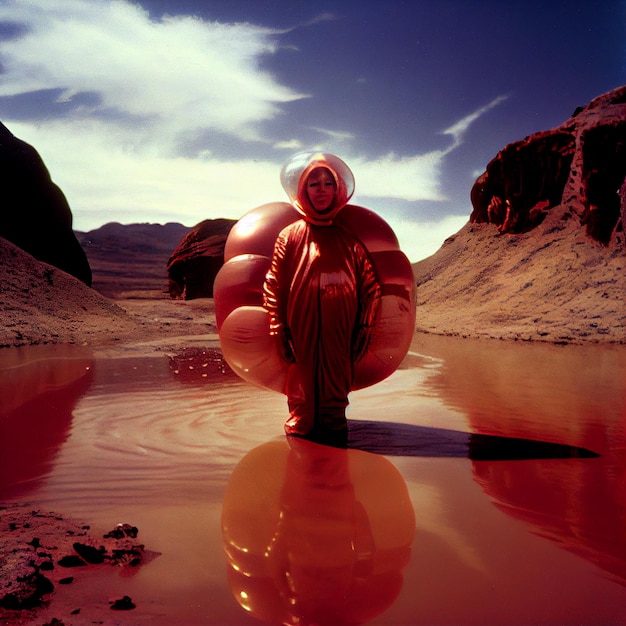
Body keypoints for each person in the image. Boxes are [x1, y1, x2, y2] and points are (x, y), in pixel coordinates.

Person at [263, 152, 381, 446]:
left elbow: (370, 287)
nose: (322, 190)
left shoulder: (349, 242)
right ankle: (302, 445)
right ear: (303, 190)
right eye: (314, 184)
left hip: (341, 329)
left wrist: (365, 325)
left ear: (338, 188)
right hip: (298, 326)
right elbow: (274, 283)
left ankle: (333, 441)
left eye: (328, 183)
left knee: (336, 388)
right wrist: (277, 327)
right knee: (301, 383)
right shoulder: (289, 236)